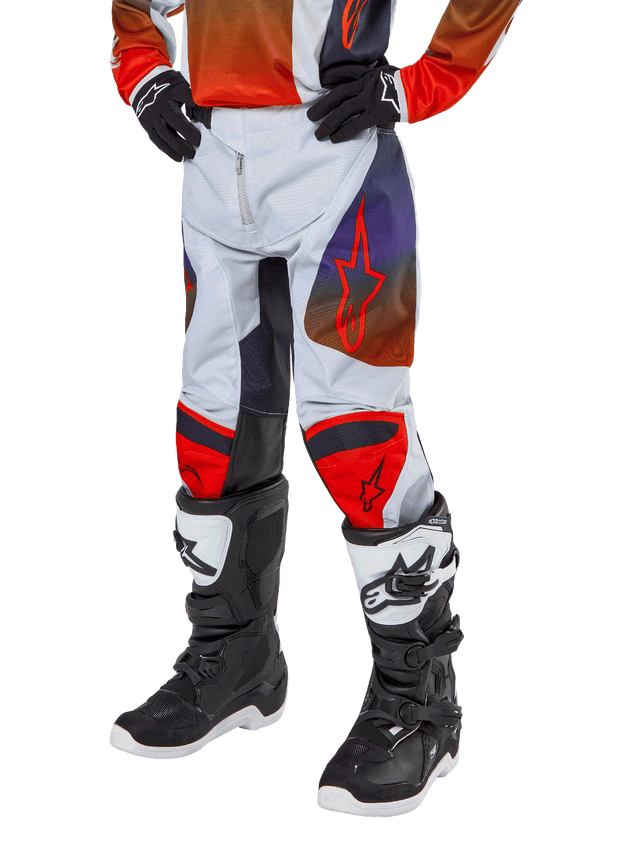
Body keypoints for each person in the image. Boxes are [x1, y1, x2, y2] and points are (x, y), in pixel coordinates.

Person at [107, 0, 523, 818]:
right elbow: (133, 9)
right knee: (211, 428)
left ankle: (420, 701)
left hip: (337, 163)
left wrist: (424, 83)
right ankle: (235, 660)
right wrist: (147, 77)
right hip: (211, 161)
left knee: (357, 434)